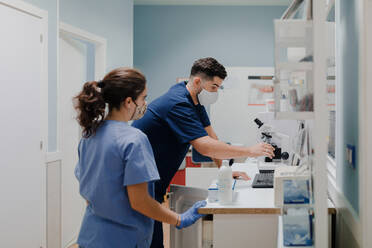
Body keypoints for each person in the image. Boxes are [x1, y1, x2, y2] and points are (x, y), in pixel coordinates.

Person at [132, 57, 275, 248]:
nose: (216, 92)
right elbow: (205, 146)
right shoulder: (178, 103)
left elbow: (211, 137)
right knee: (147, 241)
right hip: (138, 182)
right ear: (198, 81)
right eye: (214, 86)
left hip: (153, 183)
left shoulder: (194, 102)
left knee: (154, 241)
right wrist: (250, 150)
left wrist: (224, 169)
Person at [73, 68, 206, 248]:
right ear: (129, 101)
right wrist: (179, 219)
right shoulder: (134, 139)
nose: (145, 103)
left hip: (91, 236)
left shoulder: (89, 136)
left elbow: (91, 194)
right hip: (124, 239)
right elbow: (140, 202)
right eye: (143, 97)